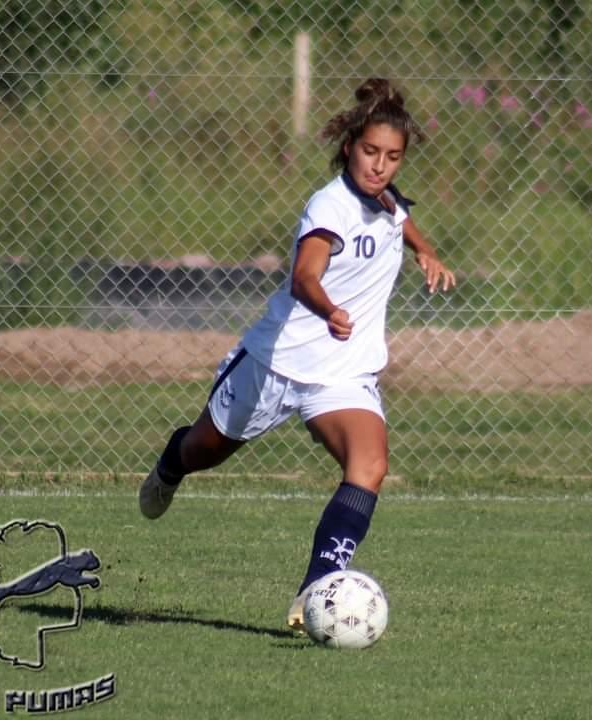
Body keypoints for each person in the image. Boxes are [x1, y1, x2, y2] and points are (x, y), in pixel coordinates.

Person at [138, 78, 456, 632]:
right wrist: (328, 308)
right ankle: (172, 459)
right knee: (204, 450)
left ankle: (318, 589)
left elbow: (402, 221)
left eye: (393, 157)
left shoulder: (387, 201)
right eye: (370, 152)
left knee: (370, 466)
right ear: (349, 146)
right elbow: (305, 275)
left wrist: (428, 253)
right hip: (277, 363)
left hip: (344, 371)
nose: (380, 166)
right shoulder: (329, 206)